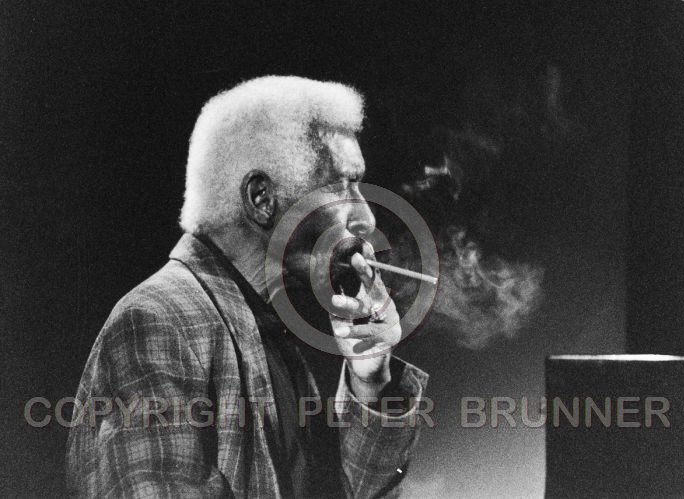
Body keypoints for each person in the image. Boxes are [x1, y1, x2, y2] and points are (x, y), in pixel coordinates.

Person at [66, 76, 429, 498]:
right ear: (262, 199)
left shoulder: (268, 337)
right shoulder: (158, 320)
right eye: (342, 186)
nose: (366, 218)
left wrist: (370, 380)